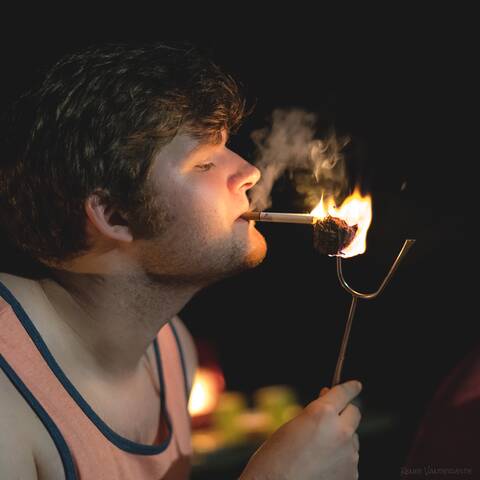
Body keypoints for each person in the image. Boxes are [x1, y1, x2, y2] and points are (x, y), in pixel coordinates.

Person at [0, 41, 362, 479]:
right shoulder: (8, 400)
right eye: (205, 162)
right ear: (115, 215)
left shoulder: (174, 352)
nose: (250, 171)